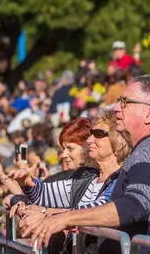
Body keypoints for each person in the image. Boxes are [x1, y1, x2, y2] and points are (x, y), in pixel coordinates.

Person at [23, 76, 150, 253]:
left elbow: (134, 206)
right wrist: (24, 185)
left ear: (148, 114)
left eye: (125, 102)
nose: (116, 108)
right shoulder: (142, 150)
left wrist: (65, 218)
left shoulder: (147, 151)